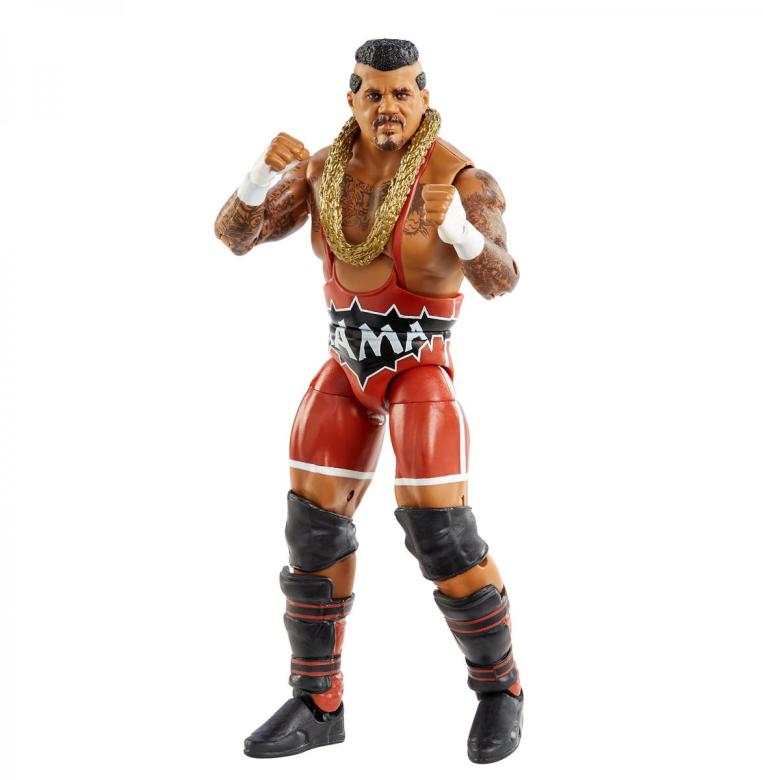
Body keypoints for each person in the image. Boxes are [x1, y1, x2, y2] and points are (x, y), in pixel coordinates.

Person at [214, 38, 523, 764]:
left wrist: (462, 238)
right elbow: (235, 237)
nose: (388, 107)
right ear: (351, 97)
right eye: (374, 93)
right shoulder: (323, 170)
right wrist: (257, 179)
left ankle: (499, 689)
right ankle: (318, 702)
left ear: (424, 96)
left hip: (421, 371)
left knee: (441, 533)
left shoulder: (460, 178)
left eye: (402, 93)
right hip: (346, 365)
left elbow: (503, 280)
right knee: (311, 531)